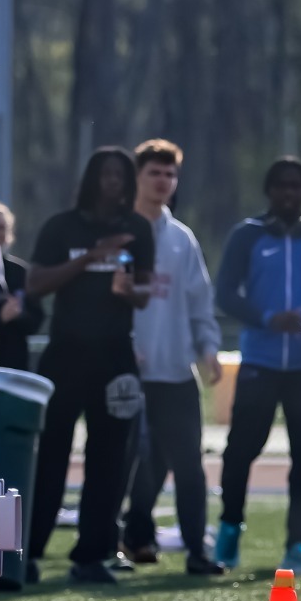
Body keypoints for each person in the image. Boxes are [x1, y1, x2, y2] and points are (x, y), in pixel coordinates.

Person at [25, 147, 156, 585]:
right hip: (65, 354)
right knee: (50, 456)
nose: (113, 181)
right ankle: (29, 551)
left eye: (120, 175)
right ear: (91, 179)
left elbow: (145, 293)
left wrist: (128, 291)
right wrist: (91, 256)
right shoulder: (62, 226)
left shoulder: (137, 229)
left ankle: (92, 555)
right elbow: (36, 284)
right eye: (106, 174)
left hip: (115, 356)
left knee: (109, 459)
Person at [214, 157, 301, 575]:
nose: (289, 193)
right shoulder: (248, 235)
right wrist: (268, 318)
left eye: (296, 185)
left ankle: (296, 544)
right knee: (241, 450)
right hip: (260, 361)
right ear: (269, 191)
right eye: (281, 185)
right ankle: (228, 534)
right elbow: (225, 294)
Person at [120, 140, 223, 575]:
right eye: (154, 173)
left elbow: (200, 301)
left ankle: (198, 551)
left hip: (177, 371)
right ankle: (129, 539)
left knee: (188, 466)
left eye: (170, 174)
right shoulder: (119, 234)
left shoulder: (182, 239)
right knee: (138, 463)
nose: (163, 182)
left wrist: (208, 348)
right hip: (129, 371)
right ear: (137, 178)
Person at [0, 202, 43, 371]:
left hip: (12, 363)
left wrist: (17, 314)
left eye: (1, 228)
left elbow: (36, 319)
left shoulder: (21, 272)